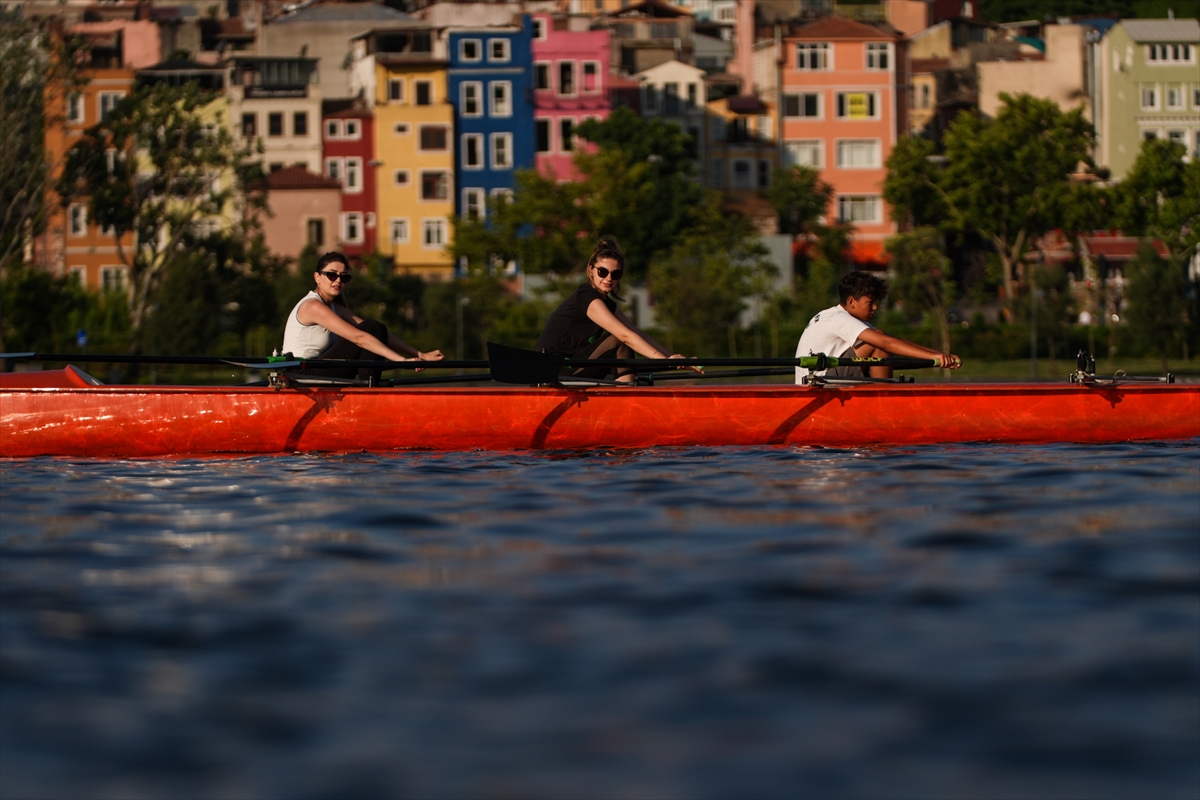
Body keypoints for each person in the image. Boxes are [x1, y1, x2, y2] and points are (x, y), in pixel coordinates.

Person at [535, 236, 700, 382]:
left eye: (615, 274)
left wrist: (672, 358)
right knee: (619, 339)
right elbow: (624, 336)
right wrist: (665, 361)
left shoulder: (606, 303)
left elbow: (637, 333)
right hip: (552, 373)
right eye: (603, 272)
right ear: (591, 270)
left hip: (573, 367)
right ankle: (626, 399)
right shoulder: (586, 296)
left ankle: (626, 394)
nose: (608, 278)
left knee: (625, 338)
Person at [282, 251, 443, 381]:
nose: (338, 280)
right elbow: (359, 338)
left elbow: (379, 334)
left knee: (376, 327)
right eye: (332, 275)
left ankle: (369, 388)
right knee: (372, 327)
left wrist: (419, 354)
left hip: (316, 369)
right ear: (317, 277)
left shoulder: (335, 308)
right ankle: (369, 391)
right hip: (299, 373)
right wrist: (401, 361)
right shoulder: (312, 306)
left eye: (344, 277)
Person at [795, 270, 961, 383]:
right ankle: (883, 399)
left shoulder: (831, 314)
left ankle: (880, 392)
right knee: (879, 344)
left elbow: (891, 340)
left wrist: (939, 355)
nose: (875, 307)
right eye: (870, 302)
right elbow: (886, 344)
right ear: (852, 301)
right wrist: (934, 358)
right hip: (817, 381)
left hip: (823, 374)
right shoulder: (838, 318)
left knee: (880, 338)